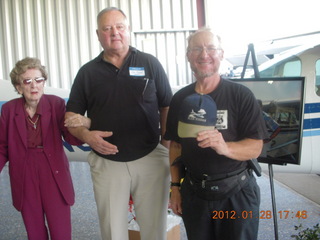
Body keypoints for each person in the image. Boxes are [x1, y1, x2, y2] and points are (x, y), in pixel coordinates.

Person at [65, 7, 173, 240]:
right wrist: (87, 136)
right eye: (107, 28)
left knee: (155, 229)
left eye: (119, 27)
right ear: (98, 34)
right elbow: (71, 117)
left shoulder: (149, 63)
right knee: (113, 231)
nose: (114, 33)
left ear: (128, 30)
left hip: (151, 159)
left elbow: (167, 105)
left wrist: (165, 144)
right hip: (107, 163)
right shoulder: (87, 73)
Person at [164, 27, 268, 240]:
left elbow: (256, 147)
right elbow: (176, 145)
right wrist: (175, 187)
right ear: (188, 56)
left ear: (221, 54)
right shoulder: (180, 99)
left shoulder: (241, 96)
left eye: (211, 48)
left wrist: (224, 147)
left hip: (236, 194)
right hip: (195, 194)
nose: (204, 54)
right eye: (197, 49)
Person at [0, 57, 90, 240]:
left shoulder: (56, 104)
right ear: (18, 87)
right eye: (28, 81)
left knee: (60, 230)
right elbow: (2, 146)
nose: (34, 85)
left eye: (38, 80)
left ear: (44, 82)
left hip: (53, 171)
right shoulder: (9, 110)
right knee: (34, 231)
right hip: (23, 173)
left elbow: (71, 136)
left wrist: (84, 127)